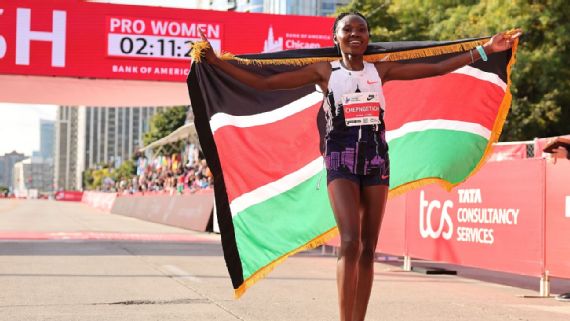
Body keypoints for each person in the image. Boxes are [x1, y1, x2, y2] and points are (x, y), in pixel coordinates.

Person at [198, 12, 520, 321]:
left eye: (361, 30)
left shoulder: (380, 71)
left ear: (368, 38)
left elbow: (435, 67)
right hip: (340, 156)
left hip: (376, 156)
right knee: (350, 241)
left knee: (368, 248)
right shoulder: (324, 71)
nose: (355, 34)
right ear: (336, 37)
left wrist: (485, 50)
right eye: (348, 30)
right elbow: (267, 84)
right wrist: (217, 62)